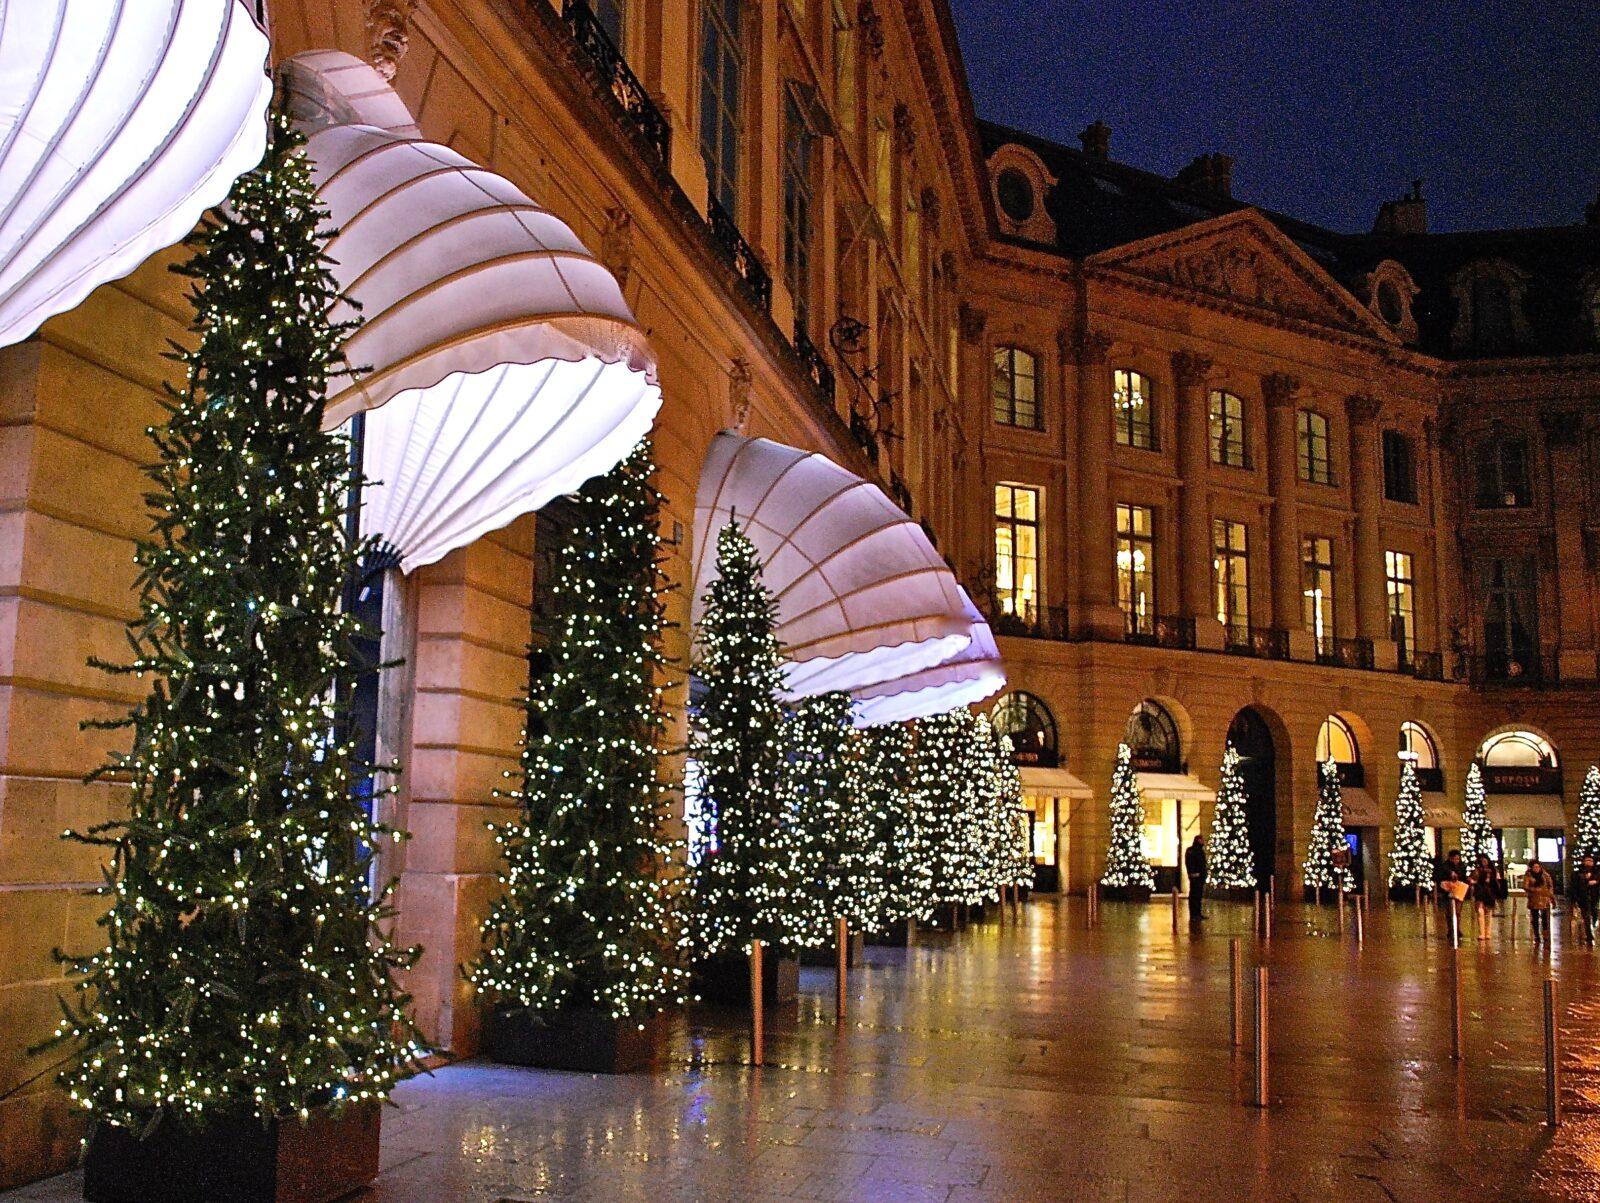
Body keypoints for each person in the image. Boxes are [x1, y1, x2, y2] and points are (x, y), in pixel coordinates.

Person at [1469, 853, 1503, 940]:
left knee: (1488, 913)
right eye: (1482, 861)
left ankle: (1487, 933)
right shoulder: (1477, 870)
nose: (1483, 862)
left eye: (1485, 860)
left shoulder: (1493, 871)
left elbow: (1497, 881)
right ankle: (1482, 933)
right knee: (1480, 912)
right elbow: (1472, 879)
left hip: (1490, 893)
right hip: (1480, 892)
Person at [1523, 859, 1554, 945]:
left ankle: (1545, 934)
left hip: (1544, 899)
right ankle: (1537, 935)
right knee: (1535, 918)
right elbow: (1525, 886)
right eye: (1534, 867)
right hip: (1534, 899)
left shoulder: (1545, 875)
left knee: (1545, 918)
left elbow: (1550, 885)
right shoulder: (1528, 875)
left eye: (1538, 867)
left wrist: (1550, 895)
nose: (1536, 869)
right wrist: (1533, 890)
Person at [1575, 854, 1600, 946]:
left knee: (1594, 913)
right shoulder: (1579, 873)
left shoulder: (1597, 872)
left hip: (1594, 897)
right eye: (1587, 860)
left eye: (1591, 861)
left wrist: (1596, 882)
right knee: (1586, 916)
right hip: (1583, 897)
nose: (1589, 862)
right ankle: (1589, 935)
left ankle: (1593, 925)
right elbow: (1576, 885)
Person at [1184, 834, 1207, 925]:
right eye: (1202, 840)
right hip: (1195, 876)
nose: (1203, 841)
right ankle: (1194, 914)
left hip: (1200, 876)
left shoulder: (1200, 851)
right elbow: (1189, 863)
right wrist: (1192, 873)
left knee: (1198, 896)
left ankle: (1197, 913)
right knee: (1194, 895)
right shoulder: (1191, 851)